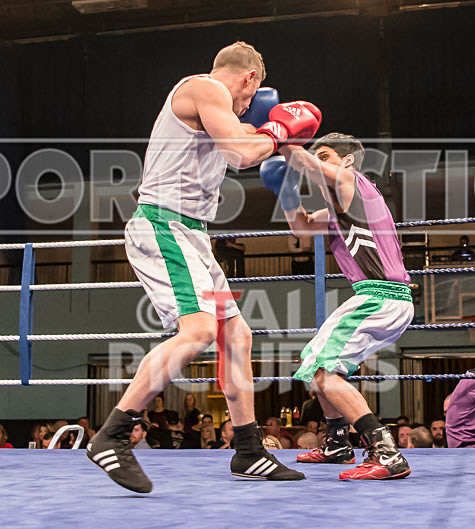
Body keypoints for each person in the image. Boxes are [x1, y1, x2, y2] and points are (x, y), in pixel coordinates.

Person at [86, 41, 320, 492]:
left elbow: (247, 147)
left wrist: (276, 140)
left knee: (238, 335)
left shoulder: (217, 108)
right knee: (197, 333)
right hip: (163, 224)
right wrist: (276, 131)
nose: (248, 105)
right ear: (249, 78)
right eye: (250, 98)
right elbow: (240, 154)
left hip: (193, 233)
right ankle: (112, 435)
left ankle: (249, 451)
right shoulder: (205, 88)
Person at [260, 133, 413, 480]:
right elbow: (299, 228)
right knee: (316, 363)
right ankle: (337, 442)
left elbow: (308, 165)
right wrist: (285, 190)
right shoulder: (336, 209)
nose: (322, 162)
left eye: (327, 155)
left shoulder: (353, 182)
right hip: (374, 297)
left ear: (347, 160)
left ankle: (386, 453)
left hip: (381, 296)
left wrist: (279, 139)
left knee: (326, 373)